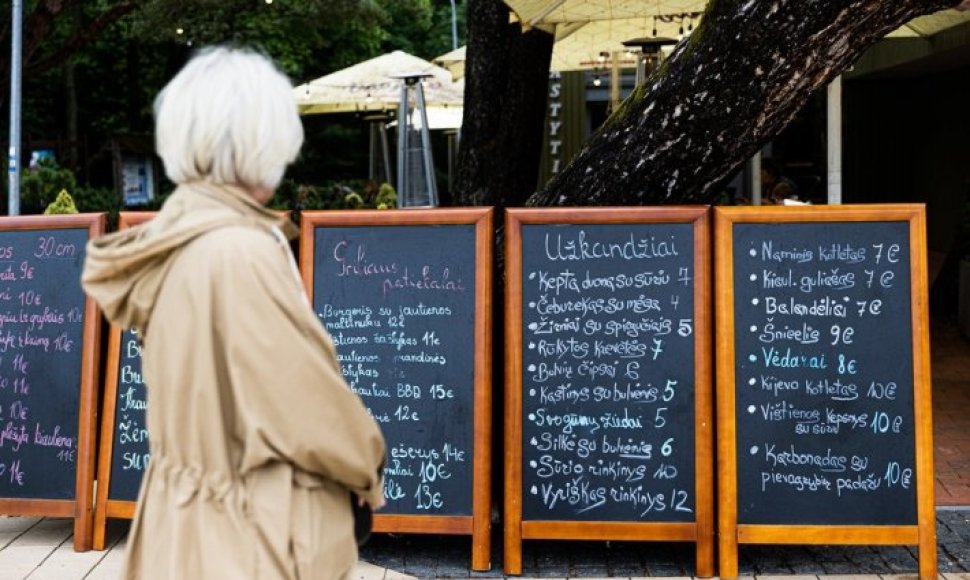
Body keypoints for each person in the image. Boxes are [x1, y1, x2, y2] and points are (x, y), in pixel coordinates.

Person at [82, 47, 386, 579]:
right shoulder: (238, 251)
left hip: (185, 519)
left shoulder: (174, 241)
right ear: (259, 139)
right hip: (249, 531)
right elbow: (301, 405)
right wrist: (367, 460)